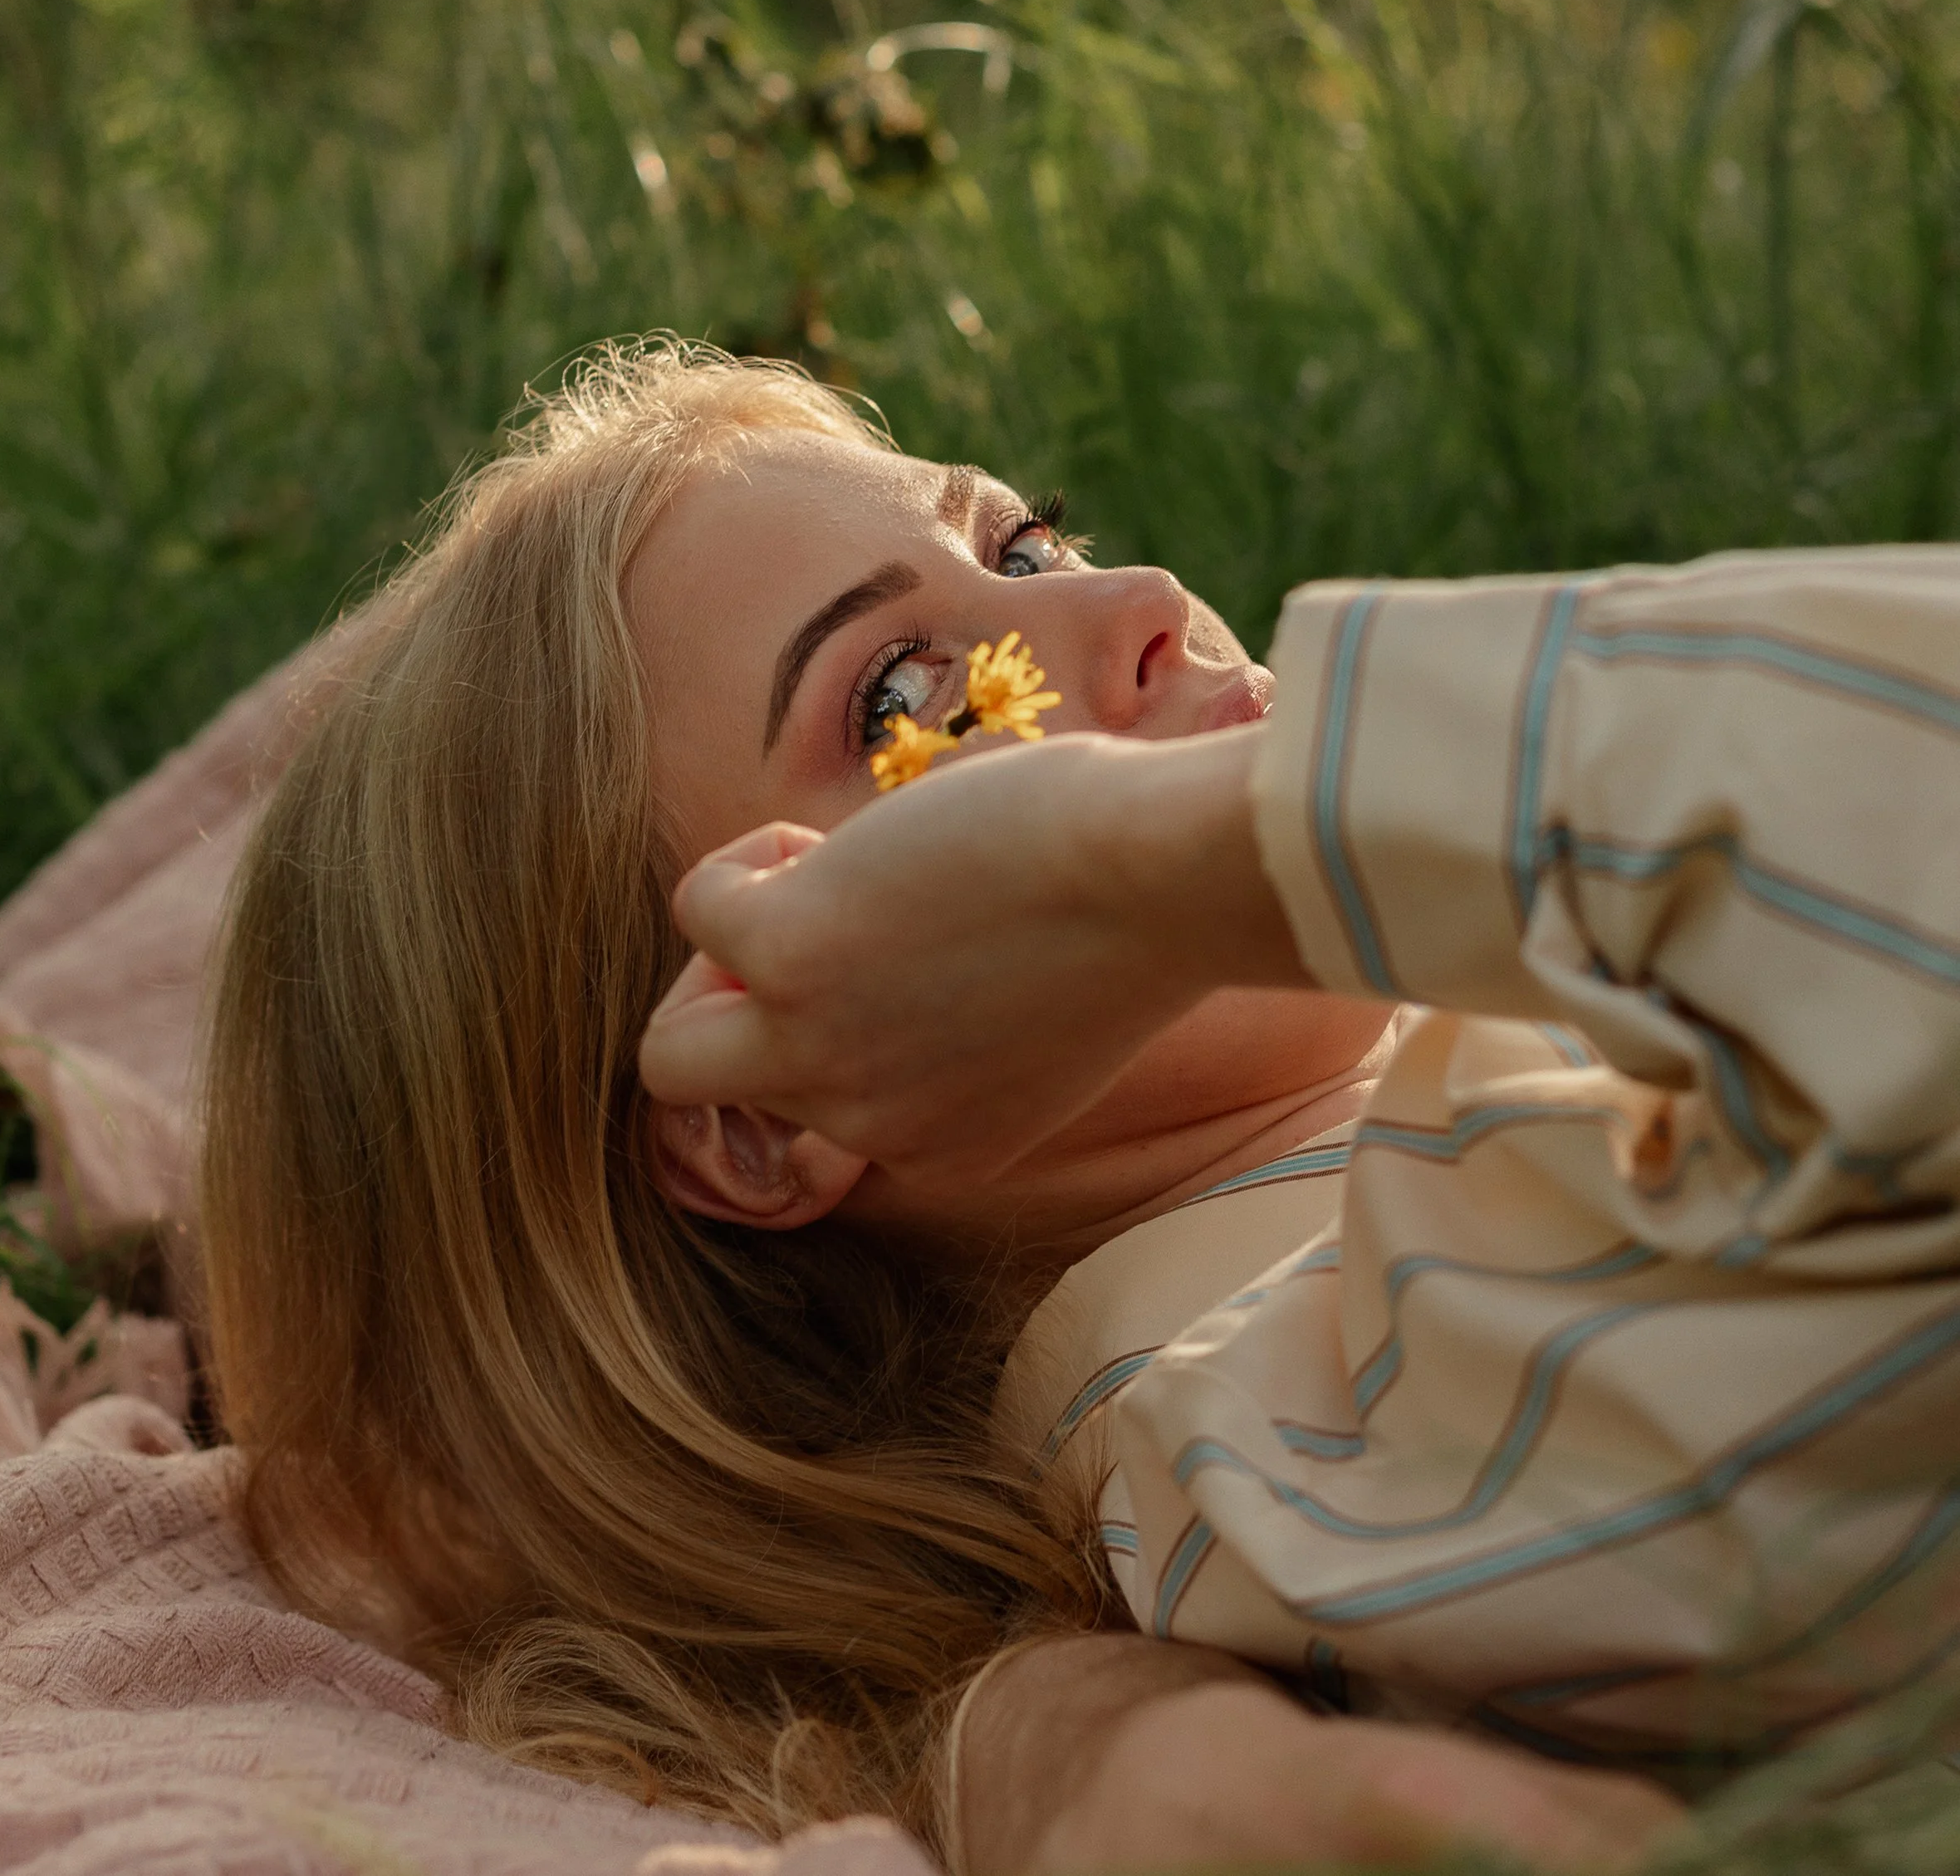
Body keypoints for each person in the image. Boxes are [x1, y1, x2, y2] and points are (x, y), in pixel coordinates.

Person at [202, 340, 1690, 1874]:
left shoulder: (1500, 1005)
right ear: (766, 1104)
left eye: (1027, 546)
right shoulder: (1270, 1376)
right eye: (906, 699)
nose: (1143, 603)